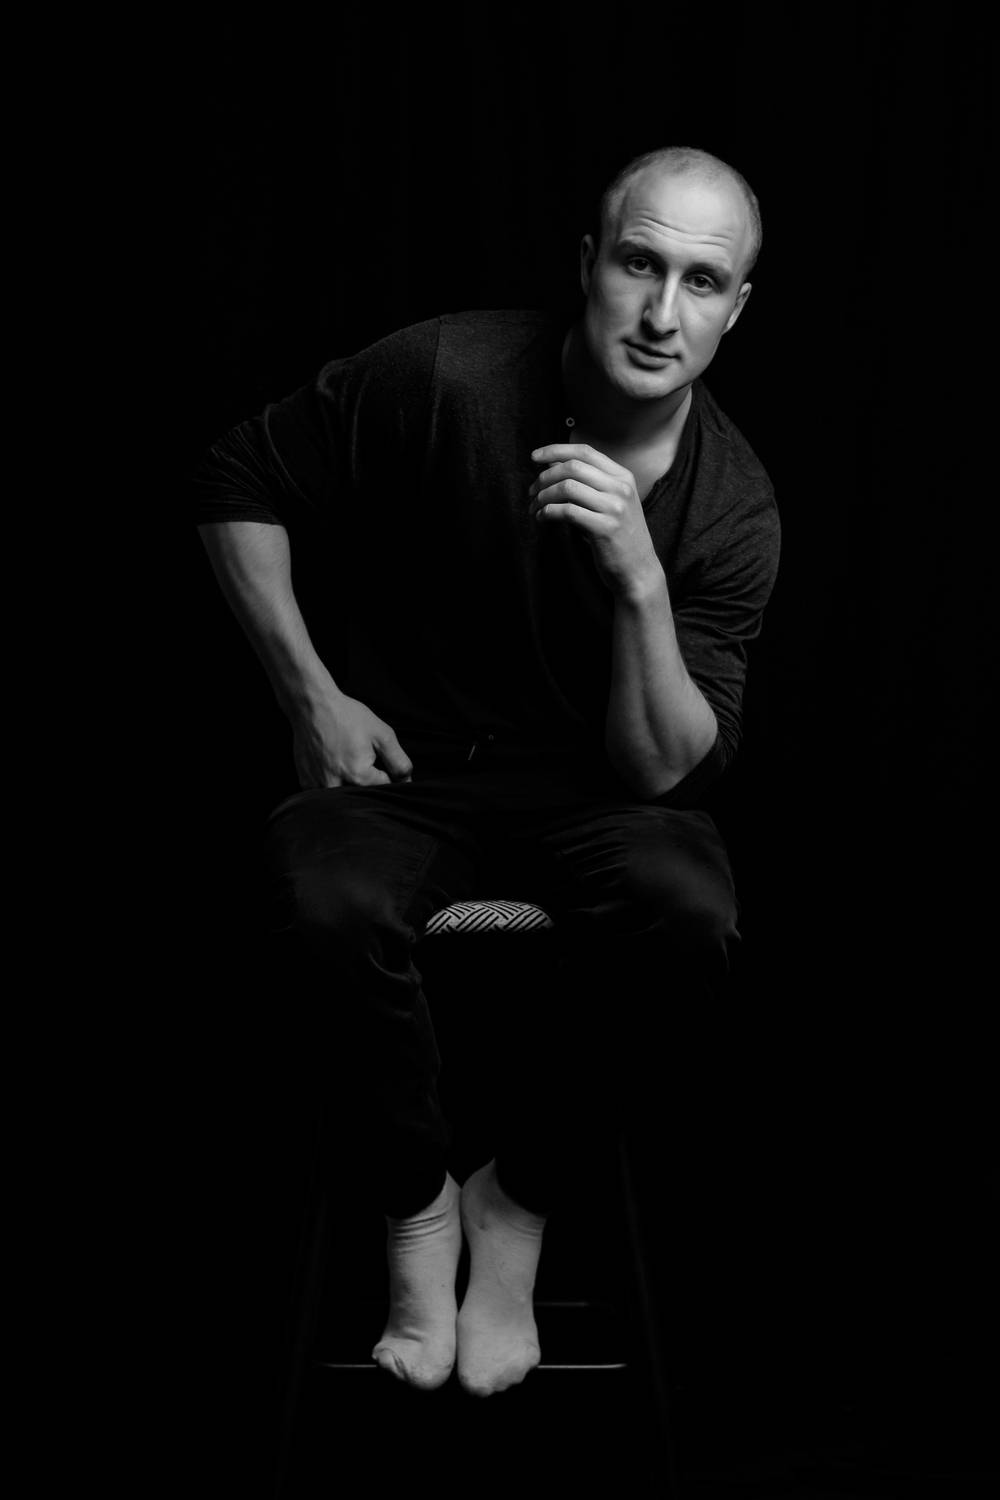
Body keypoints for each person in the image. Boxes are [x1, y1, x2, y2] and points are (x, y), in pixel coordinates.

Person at [192, 144, 780, 1398]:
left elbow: (662, 772)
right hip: (408, 767)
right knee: (320, 904)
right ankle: (414, 1206)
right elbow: (239, 473)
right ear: (589, 264)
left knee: (689, 917)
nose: (660, 312)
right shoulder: (449, 373)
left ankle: (514, 1205)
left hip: (597, 792)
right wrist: (310, 693)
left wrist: (636, 577)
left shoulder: (731, 507)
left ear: (736, 309)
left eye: (700, 282)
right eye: (638, 264)